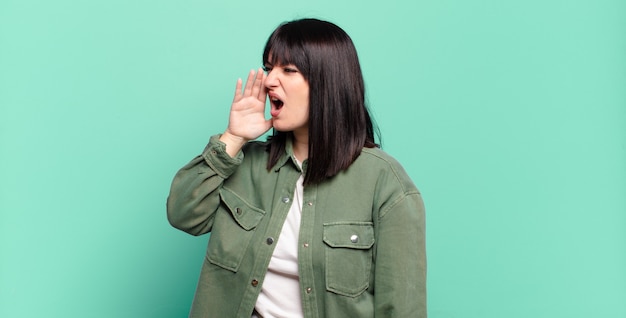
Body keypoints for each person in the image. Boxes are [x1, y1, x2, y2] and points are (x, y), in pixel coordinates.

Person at [167, 18, 426, 318]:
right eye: (268, 68)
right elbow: (183, 214)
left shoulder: (385, 184)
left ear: (329, 83)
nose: (269, 81)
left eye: (288, 70)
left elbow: (403, 309)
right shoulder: (245, 164)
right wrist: (233, 137)